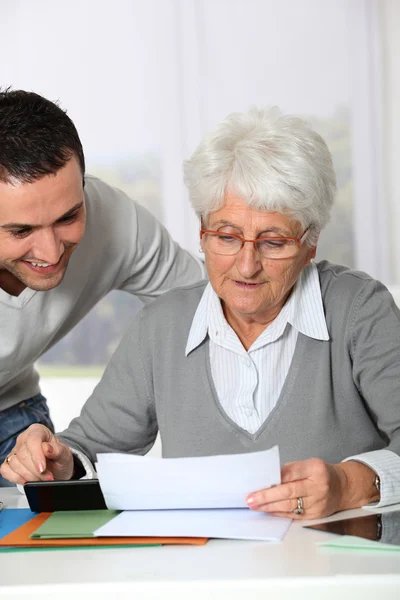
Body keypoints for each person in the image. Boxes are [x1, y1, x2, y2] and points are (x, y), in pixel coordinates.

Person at [2, 106, 400, 520]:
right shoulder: (163, 325)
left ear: (310, 243)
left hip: (335, 575)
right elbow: (88, 448)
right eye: (226, 236)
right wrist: (60, 459)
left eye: (274, 241)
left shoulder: (360, 311)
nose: (246, 266)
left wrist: (351, 483)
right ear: (202, 231)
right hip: (201, 575)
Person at [0, 88, 205, 485]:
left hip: (16, 418)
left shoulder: (112, 218)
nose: (50, 250)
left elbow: (205, 304)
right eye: (21, 230)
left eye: (68, 216)